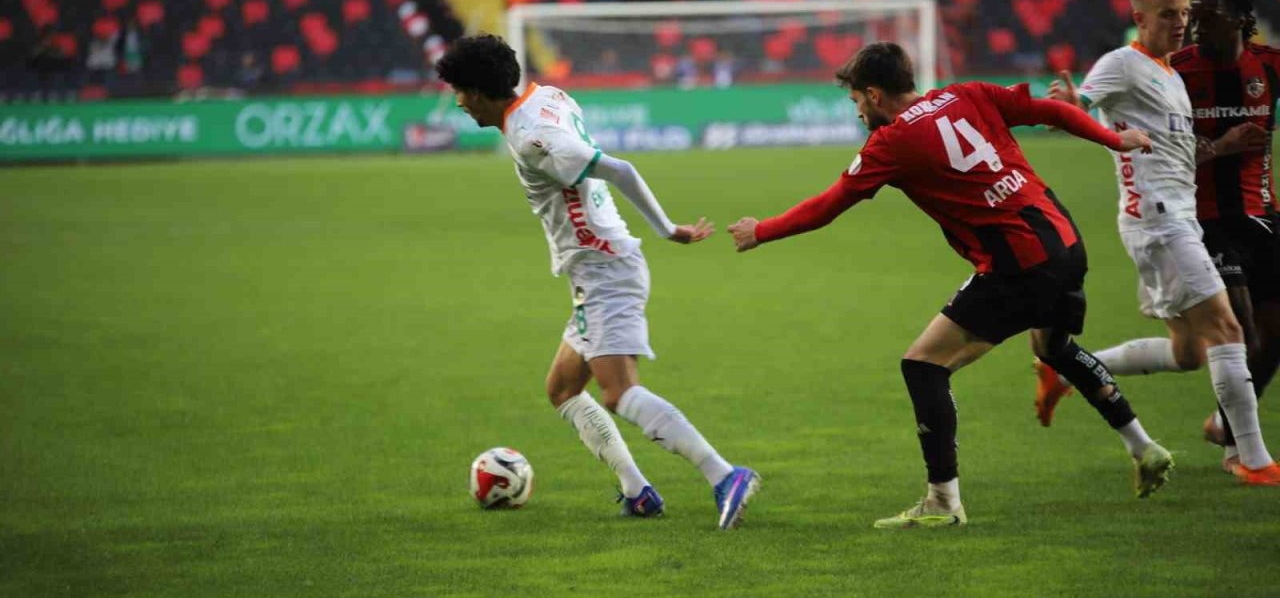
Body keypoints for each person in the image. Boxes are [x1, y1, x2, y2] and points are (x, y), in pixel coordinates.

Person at [728, 41, 1168, 529]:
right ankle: (1143, 447)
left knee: (923, 365)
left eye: (856, 101)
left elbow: (828, 205)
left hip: (1016, 264)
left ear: (874, 94)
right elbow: (1051, 111)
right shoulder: (968, 93)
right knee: (1053, 346)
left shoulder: (889, 142)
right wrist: (1115, 140)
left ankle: (943, 501)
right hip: (1064, 241)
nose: (857, 112)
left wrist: (761, 230)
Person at [435, 34, 760, 529]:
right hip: (592, 272)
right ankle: (638, 492)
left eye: (459, 90)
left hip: (605, 269)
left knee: (619, 394)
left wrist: (667, 229)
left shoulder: (531, 138)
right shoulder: (547, 97)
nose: (457, 101)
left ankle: (725, 475)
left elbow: (620, 169)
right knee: (563, 389)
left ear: (478, 90)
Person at [1033, 0, 1280, 485]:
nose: (1181, 22)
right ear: (1139, 18)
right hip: (1160, 222)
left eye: (1184, 12)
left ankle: (1068, 368)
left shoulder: (1169, 74)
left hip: (1174, 217)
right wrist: (1073, 107)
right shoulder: (1123, 64)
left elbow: (1177, 153)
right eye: (1168, 13)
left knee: (1190, 352)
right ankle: (1253, 461)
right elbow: (1082, 105)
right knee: (1230, 328)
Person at [1172, 0, 1280, 473]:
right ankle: (1246, 455)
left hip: (1261, 215)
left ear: (1240, 19)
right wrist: (1222, 145)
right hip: (1203, 220)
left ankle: (1226, 424)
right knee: (1241, 332)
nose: (1194, 24)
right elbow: (1163, 156)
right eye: (1192, 14)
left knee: (1272, 335)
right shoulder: (1176, 72)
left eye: (1207, 15)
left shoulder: (1269, 66)